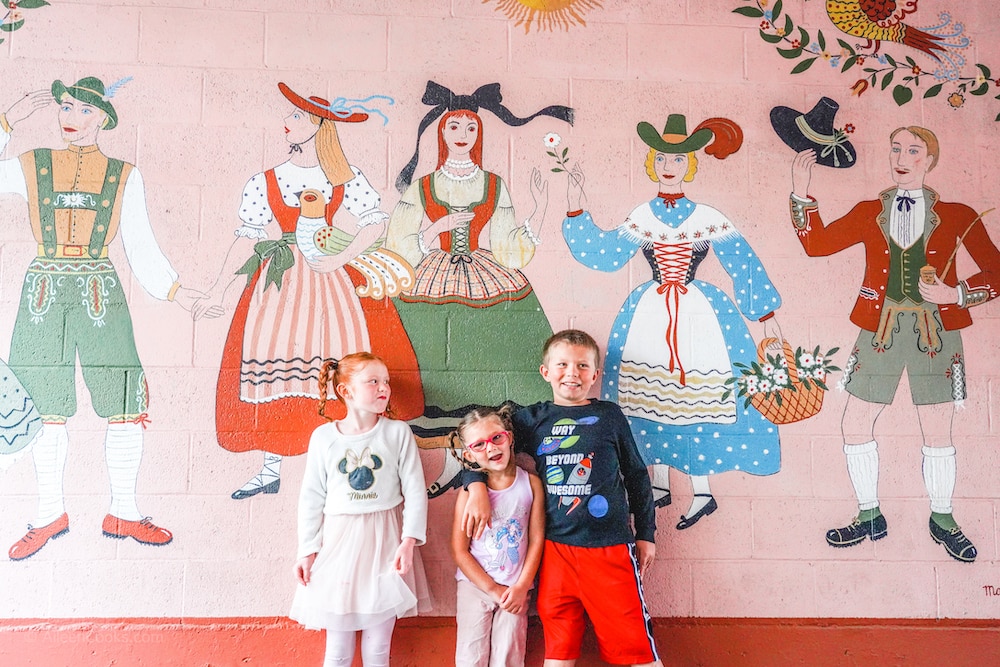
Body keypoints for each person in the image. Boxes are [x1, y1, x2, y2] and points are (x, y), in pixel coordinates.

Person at [0, 77, 214, 560]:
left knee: (122, 399)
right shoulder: (32, 165)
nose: (68, 117)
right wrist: (7, 120)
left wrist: (181, 295)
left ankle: (123, 511)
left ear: (103, 119)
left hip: (101, 289)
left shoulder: (123, 174)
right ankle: (49, 513)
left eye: (80, 109)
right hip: (44, 290)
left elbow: (140, 244)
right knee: (44, 403)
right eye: (64, 107)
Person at [197, 82, 423, 501]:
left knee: (334, 367)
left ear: (319, 126)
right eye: (290, 115)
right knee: (273, 366)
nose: (287, 123)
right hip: (277, 284)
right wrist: (217, 290)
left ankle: (347, 467)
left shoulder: (345, 178)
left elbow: (376, 222)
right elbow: (247, 236)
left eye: (297, 117)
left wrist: (341, 258)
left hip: (329, 280)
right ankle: (269, 469)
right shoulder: (265, 180)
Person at [789, 126, 1000, 563]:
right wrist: (801, 194)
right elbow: (818, 245)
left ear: (931, 160)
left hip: (938, 333)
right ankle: (869, 515)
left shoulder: (959, 215)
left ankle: (942, 519)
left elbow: (997, 272)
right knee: (855, 421)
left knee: (938, 429)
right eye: (896, 148)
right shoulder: (870, 211)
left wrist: (956, 294)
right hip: (878, 330)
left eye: (914, 150)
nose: (902, 157)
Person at [560, 115, 783, 529]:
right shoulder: (643, 215)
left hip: (698, 316)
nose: (669, 164)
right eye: (661, 157)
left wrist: (765, 315)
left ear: (689, 165)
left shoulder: (708, 217)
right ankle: (659, 483)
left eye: (677, 159)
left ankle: (702, 491)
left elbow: (743, 263)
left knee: (700, 397)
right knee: (648, 398)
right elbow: (605, 254)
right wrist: (575, 206)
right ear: (652, 162)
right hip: (651, 313)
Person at [385, 81, 573, 496]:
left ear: (478, 134)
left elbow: (508, 247)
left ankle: (471, 461)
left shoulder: (493, 183)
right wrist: (435, 229)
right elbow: (396, 241)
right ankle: (457, 460)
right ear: (442, 133)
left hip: (485, 273)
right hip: (432, 276)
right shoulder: (424, 185)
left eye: (470, 128)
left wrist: (539, 212)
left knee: (494, 354)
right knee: (433, 364)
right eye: (454, 127)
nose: (462, 135)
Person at [464, 330, 661, 667]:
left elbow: (637, 476)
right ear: (546, 372)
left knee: (634, 648)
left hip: (610, 548)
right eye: (563, 364)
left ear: (596, 375)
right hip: (554, 551)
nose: (573, 373)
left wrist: (646, 534)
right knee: (559, 648)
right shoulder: (530, 419)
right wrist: (475, 485)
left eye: (583, 366)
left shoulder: (610, 417)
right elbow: (482, 442)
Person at [290, 352, 430, 667]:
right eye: (373, 381)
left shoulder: (397, 433)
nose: (384, 388)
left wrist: (409, 541)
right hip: (339, 546)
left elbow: (414, 490)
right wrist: (307, 550)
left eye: (386, 382)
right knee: (338, 649)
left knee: (378, 646)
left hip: (385, 543)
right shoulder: (324, 438)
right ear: (346, 391)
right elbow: (311, 496)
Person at [450, 405, 545, 667]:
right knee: (470, 658)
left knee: (509, 659)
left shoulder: (531, 484)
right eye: (479, 445)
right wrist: (491, 588)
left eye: (496, 438)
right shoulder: (469, 493)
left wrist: (522, 587)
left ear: (509, 437)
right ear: (469, 453)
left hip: (515, 589)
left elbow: (537, 540)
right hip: (475, 587)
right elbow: (459, 551)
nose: (491, 448)